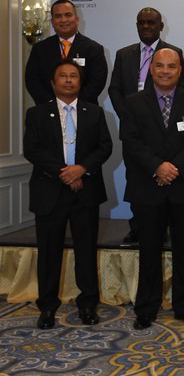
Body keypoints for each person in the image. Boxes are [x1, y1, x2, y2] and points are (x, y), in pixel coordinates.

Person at [121, 48, 184, 330]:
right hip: (147, 186)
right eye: (159, 66)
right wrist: (158, 167)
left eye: (171, 66)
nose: (165, 71)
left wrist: (174, 168)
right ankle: (146, 307)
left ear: (180, 70)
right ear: (150, 69)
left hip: (183, 185)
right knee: (149, 248)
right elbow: (131, 141)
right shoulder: (133, 102)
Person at [24, 59, 112, 329]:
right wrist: (65, 172)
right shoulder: (37, 113)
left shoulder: (95, 112)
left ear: (80, 82)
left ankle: (88, 305)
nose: (69, 80)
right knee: (49, 253)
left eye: (74, 76)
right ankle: (47, 307)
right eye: (63, 76)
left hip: (85, 191)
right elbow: (32, 150)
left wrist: (81, 169)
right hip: (49, 192)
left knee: (86, 252)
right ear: (53, 83)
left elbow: (104, 147)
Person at [108, 7, 184, 244]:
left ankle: (166, 226)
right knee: (137, 179)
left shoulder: (174, 53)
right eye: (141, 22)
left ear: (161, 26)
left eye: (151, 23)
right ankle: (138, 226)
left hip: (165, 131)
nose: (146, 27)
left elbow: (181, 92)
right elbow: (115, 89)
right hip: (135, 133)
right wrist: (131, 116)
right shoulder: (124, 54)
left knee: (166, 176)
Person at [25, 0, 108, 105]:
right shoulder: (40, 49)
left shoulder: (93, 49)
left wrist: (74, 104)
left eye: (68, 15)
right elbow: (32, 80)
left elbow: (97, 81)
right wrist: (53, 104)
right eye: (58, 16)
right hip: (48, 111)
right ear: (52, 21)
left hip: (84, 111)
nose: (63, 20)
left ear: (77, 19)